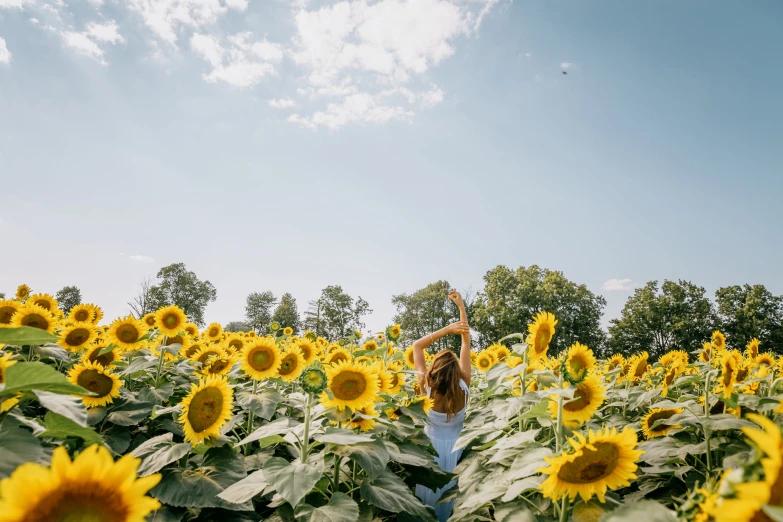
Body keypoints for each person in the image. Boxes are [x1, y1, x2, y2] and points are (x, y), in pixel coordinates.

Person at [413, 290, 472, 522]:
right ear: (456, 369)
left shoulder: (425, 386)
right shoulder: (464, 385)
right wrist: (461, 308)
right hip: (456, 450)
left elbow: (417, 346)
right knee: (450, 502)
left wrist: (447, 329)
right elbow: (465, 343)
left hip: (430, 451)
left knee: (427, 502)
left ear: (434, 368)